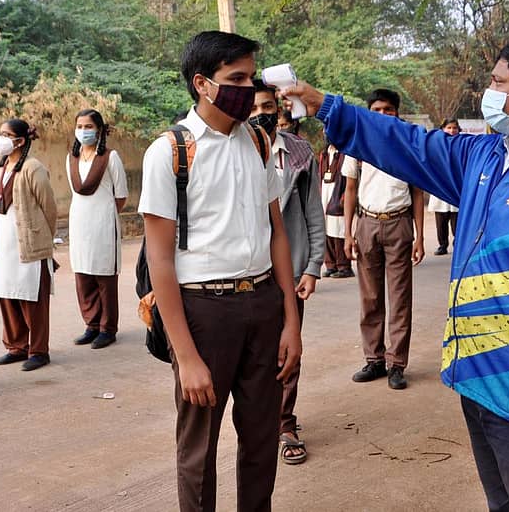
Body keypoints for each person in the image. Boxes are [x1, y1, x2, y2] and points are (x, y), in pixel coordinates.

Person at [280, 37, 509, 511]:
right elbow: (408, 144)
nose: (489, 92)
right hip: (478, 384)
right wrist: (327, 107)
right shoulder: (485, 158)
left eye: (498, 82)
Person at [138, 30, 301, 511]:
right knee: (199, 450)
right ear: (202, 83)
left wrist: (290, 320)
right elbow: (160, 260)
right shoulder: (170, 152)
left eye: (251, 78)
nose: (248, 89)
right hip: (203, 313)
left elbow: (277, 233)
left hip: (264, 304)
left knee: (261, 440)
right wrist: (186, 356)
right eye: (236, 79)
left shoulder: (259, 141)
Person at [249, 79, 325, 465]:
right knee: (253, 355)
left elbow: (313, 210)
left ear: (278, 111)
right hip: (245, 272)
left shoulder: (298, 152)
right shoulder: (232, 150)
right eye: (253, 108)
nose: (261, 114)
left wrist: (313, 266)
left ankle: (284, 422)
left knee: (287, 348)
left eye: (267, 107)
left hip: (290, 270)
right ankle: (257, 421)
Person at [341, 88, 425, 390]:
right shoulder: (357, 144)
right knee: (370, 297)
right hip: (366, 223)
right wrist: (348, 233)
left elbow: (418, 192)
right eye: (376, 109)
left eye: (388, 109)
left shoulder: (407, 144)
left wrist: (419, 236)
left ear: (397, 112)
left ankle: (397, 364)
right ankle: (374, 359)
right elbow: (350, 190)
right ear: (369, 112)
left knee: (400, 297)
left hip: (399, 223)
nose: (382, 114)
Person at [0, 119, 57, 371]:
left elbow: (48, 206)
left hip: (29, 244)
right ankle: (16, 346)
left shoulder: (33, 167)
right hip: (4, 244)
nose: (1, 138)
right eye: (0, 133)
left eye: (6, 134)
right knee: (8, 294)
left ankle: (38, 351)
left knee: (32, 298)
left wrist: (44, 239)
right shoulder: (0, 167)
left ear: (20, 140)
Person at [68, 109, 128, 350]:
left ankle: (107, 328)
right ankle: (91, 325)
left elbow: (121, 195)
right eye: (80, 126)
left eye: (88, 126)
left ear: (99, 130)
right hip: (78, 225)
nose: (83, 131)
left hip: (103, 226)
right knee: (83, 276)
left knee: (104, 277)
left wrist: (105, 216)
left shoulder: (110, 157)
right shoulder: (71, 158)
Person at [319, 138, 353, 278]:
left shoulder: (345, 153)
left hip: (338, 195)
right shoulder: (324, 153)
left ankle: (343, 266)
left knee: (338, 232)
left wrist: (343, 197)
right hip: (325, 194)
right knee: (327, 231)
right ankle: (331, 265)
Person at [428, 118, 461, 255]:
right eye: (449, 128)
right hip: (440, 187)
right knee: (440, 220)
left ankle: (457, 244)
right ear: (442, 129)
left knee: (457, 220)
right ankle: (442, 245)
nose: (452, 131)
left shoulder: (462, 145)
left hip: (456, 187)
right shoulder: (435, 146)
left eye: (454, 128)